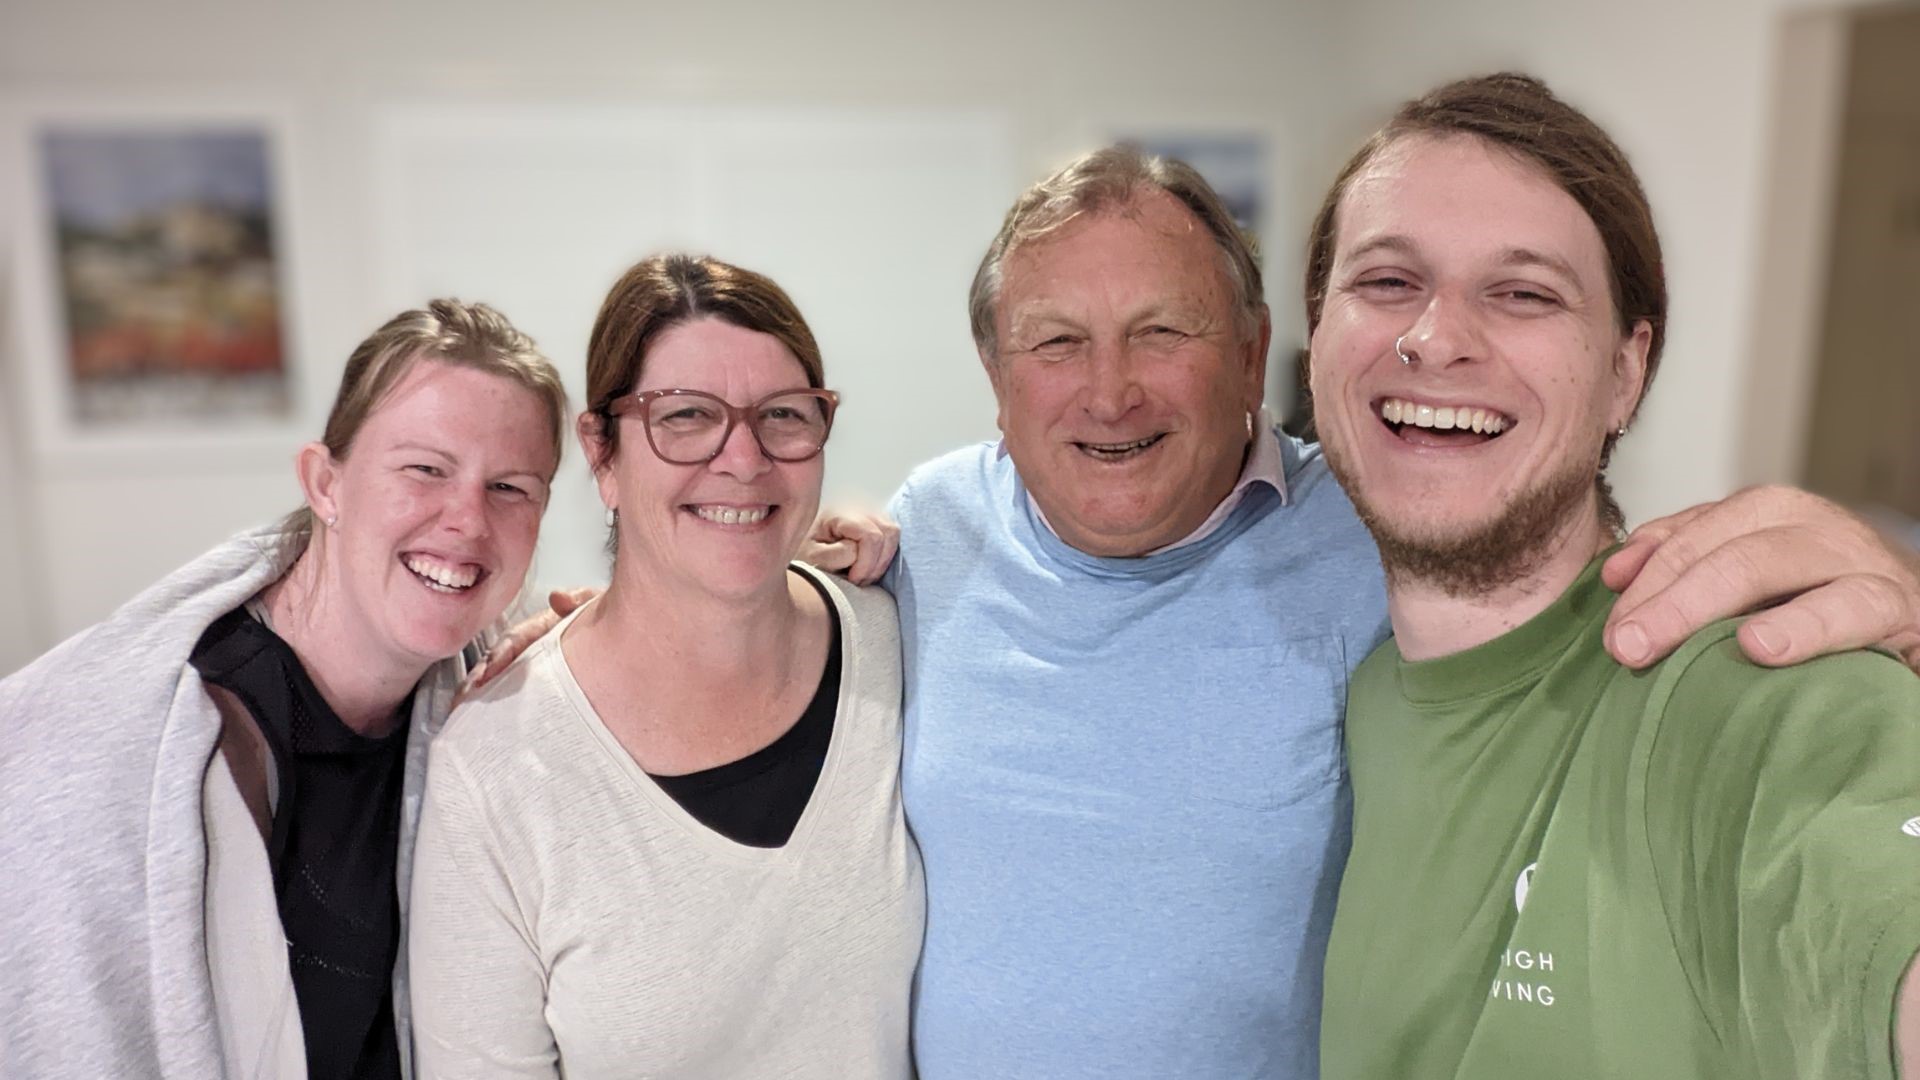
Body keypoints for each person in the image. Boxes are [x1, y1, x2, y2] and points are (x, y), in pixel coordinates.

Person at [482, 149, 1920, 1079]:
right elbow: (754, 590)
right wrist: (618, 629)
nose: (1108, 392)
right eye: (1057, 342)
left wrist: (1852, 581)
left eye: (1161, 332)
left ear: (1252, 356)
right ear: (996, 379)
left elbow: (1543, 546)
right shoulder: (925, 537)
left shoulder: (1383, 538)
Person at [1307, 73, 1920, 1078]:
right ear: (1317, 339)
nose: (1435, 337)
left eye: (1523, 294)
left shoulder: (1750, 682)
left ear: (1624, 374)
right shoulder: (1367, 693)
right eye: (1385, 282)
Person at [0, 300, 569, 1080]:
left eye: (510, 487)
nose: (468, 521)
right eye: (425, 469)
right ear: (324, 484)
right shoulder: (145, 746)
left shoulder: (496, 694)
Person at [407, 254, 922, 1080]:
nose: (744, 459)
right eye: (686, 416)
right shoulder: (497, 764)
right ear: (601, 453)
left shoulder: (900, 649)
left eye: (784, 415)